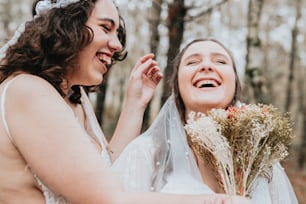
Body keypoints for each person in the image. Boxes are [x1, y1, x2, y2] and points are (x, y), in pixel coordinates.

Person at [0, 0, 253, 203]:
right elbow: (108, 198)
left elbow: (109, 171)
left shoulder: (75, 100)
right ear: (67, 27)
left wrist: (136, 103)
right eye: (105, 28)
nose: (117, 44)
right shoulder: (28, 91)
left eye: (117, 33)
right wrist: (220, 201)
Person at [112, 38, 299, 204]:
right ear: (177, 86)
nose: (207, 66)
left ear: (235, 83)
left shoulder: (262, 160)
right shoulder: (145, 152)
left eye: (220, 61)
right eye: (193, 62)